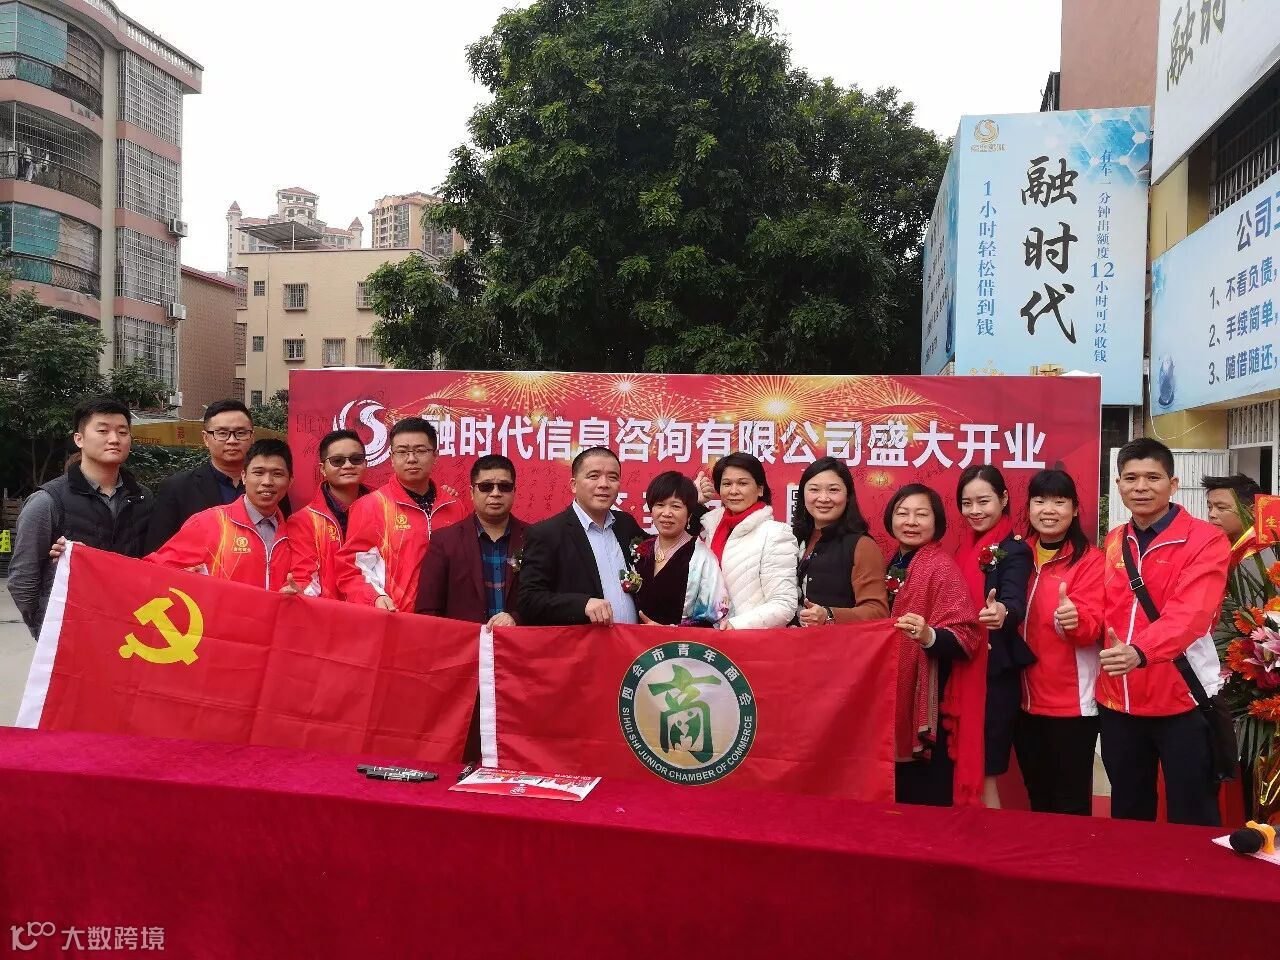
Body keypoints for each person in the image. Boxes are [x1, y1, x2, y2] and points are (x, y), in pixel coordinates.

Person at [1099, 437, 1230, 826]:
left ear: (1173, 484)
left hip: (1182, 698)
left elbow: (1193, 614)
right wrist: (1074, 618)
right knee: (1129, 811)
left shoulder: (1206, 540)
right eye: (1131, 478)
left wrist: (1140, 652)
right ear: (1119, 484)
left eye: (1152, 477)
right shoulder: (1115, 539)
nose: (1141, 487)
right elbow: (1107, 610)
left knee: (1192, 814)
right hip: (1120, 700)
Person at [10, 397, 153, 638]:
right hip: (72, 636)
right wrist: (46, 631)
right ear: (79, 439)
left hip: (131, 633)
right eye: (103, 431)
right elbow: (23, 580)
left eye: (122, 432)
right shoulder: (48, 501)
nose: (114, 439)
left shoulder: (143, 498)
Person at [884, 483, 984, 807]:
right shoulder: (894, 562)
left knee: (923, 797)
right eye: (903, 513)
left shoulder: (940, 567)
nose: (911, 522)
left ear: (937, 521)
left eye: (921, 514)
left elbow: (967, 635)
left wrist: (929, 636)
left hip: (928, 692)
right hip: (891, 691)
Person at [1014, 468, 1105, 816]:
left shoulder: (1091, 561)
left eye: (1059, 501)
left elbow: (1093, 626)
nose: (1048, 510)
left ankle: (1071, 853)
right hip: (1023, 700)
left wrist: (1074, 621)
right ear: (1028, 508)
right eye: (1039, 501)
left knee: (1070, 800)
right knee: (1037, 794)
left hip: (1072, 704)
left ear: (1075, 509)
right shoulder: (1017, 556)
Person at [955, 464, 1033, 809]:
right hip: (960, 666)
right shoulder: (964, 550)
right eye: (967, 503)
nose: (975, 510)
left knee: (985, 771)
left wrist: (1002, 611)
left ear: (1003, 499)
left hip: (993, 673)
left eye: (983, 501)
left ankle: (987, 837)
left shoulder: (1014, 550)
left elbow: (1014, 600)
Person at [336, 417, 463, 612]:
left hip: (448, 619)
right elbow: (351, 567)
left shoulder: (454, 505)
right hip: (396, 616)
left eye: (421, 451)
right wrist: (374, 597)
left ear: (435, 455)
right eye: (402, 452)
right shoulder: (372, 506)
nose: (411, 459)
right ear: (392, 457)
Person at [147, 438, 300, 592]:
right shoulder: (209, 523)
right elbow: (151, 571)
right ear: (244, 476)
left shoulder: (296, 533)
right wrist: (185, 581)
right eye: (258, 473)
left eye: (277, 474)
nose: (267, 482)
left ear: (290, 481)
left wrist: (300, 596)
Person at [517, 447, 646, 626]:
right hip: (582, 642)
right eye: (593, 476)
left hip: (632, 640)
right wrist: (581, 605)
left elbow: (664, 549)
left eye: (612, 477)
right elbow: (528, 600)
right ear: (574, 485)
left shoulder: (626, 524)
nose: (604, 484)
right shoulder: (547, 533)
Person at [145, 400, 289, 552]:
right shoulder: (177, 488)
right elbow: (158, 551)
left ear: (252, 437)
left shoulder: (271, 488)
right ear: (205, 438)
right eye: (222, 433)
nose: (232, 441)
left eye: (241, 433)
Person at [417, 454, 529, 626]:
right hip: (462, 641)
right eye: (486, 487)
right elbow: (428, 609)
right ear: (471, 492)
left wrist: (517, 618)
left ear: (514, 491)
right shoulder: (444, 541)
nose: (496, 493)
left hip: (518, 640)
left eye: (504, 487)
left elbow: (546, 600)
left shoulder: (534, 539)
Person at [699, 451, 798, 630]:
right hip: (710, 637)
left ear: (760, 489)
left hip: (749, 639)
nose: (733, 491)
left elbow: (784, 604)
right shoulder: (711, 527)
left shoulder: (775, 533)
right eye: (726, 484)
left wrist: (736, 625)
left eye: (742, 483)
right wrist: (694, 501)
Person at [792, 457, 888, 626]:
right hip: (791, 640)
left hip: (840, 642)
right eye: (814, 489)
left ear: (848, 495)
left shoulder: (862, 545)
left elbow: (877, 611)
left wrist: (829, 615)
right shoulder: (793, 539)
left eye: (833, 490)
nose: (823, 498)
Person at [633, 471, 729, 627]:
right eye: (660, 505)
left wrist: (667, 631)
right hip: (634, 641)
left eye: (676, 506)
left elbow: (714, 618)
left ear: (689, 514)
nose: (666, 513)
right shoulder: (642, 549)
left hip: (679, 642)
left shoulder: (702, 558)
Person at [287, 429, 370, 598]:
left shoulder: (384, 507)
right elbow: (304, 573)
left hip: (380, 608)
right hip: (329, 610)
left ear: (365, 463)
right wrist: (300, 590)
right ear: (323, 469)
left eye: (356, 459)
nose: (348, 465)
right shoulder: (304, 520)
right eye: (337, 461)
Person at [1203, 473, 1276, 571]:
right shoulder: (1207, 548)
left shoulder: (1268, 555)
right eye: (1209, 507)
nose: (1212, 514)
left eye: (1221, 507)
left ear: (1252, 511)